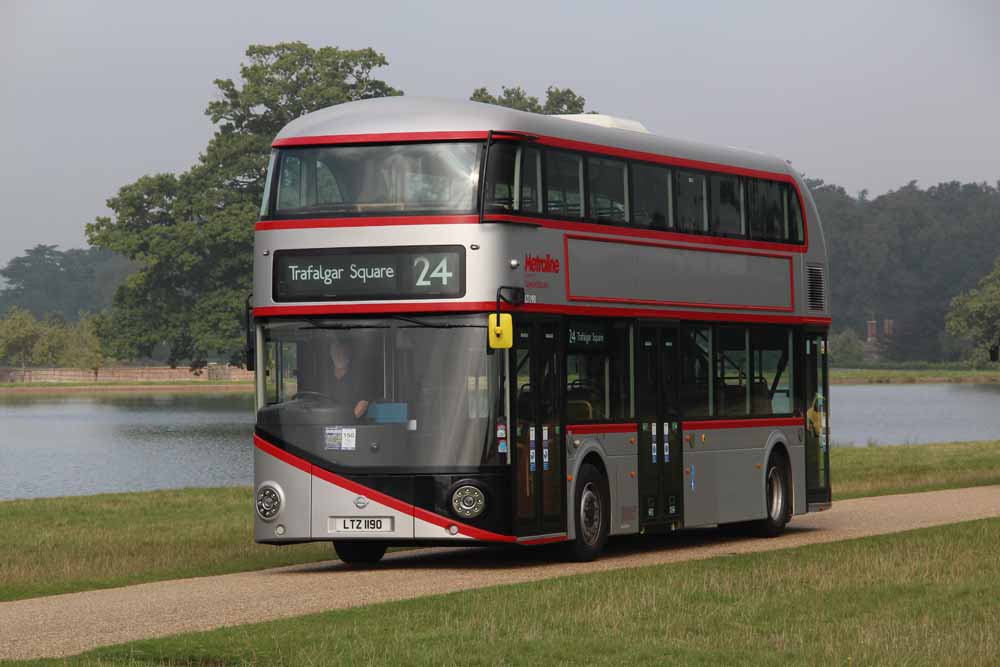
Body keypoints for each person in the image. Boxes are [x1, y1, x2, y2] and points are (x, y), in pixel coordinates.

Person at [325, 340, 370, 419]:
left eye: (344, 352)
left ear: (350, 355)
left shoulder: (360, 379)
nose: (340, 356)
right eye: (337, 352)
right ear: (331, 354)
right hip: (324, 423)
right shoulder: (324, 378)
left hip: (352, 425)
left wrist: (349, 420)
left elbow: (363, 404)